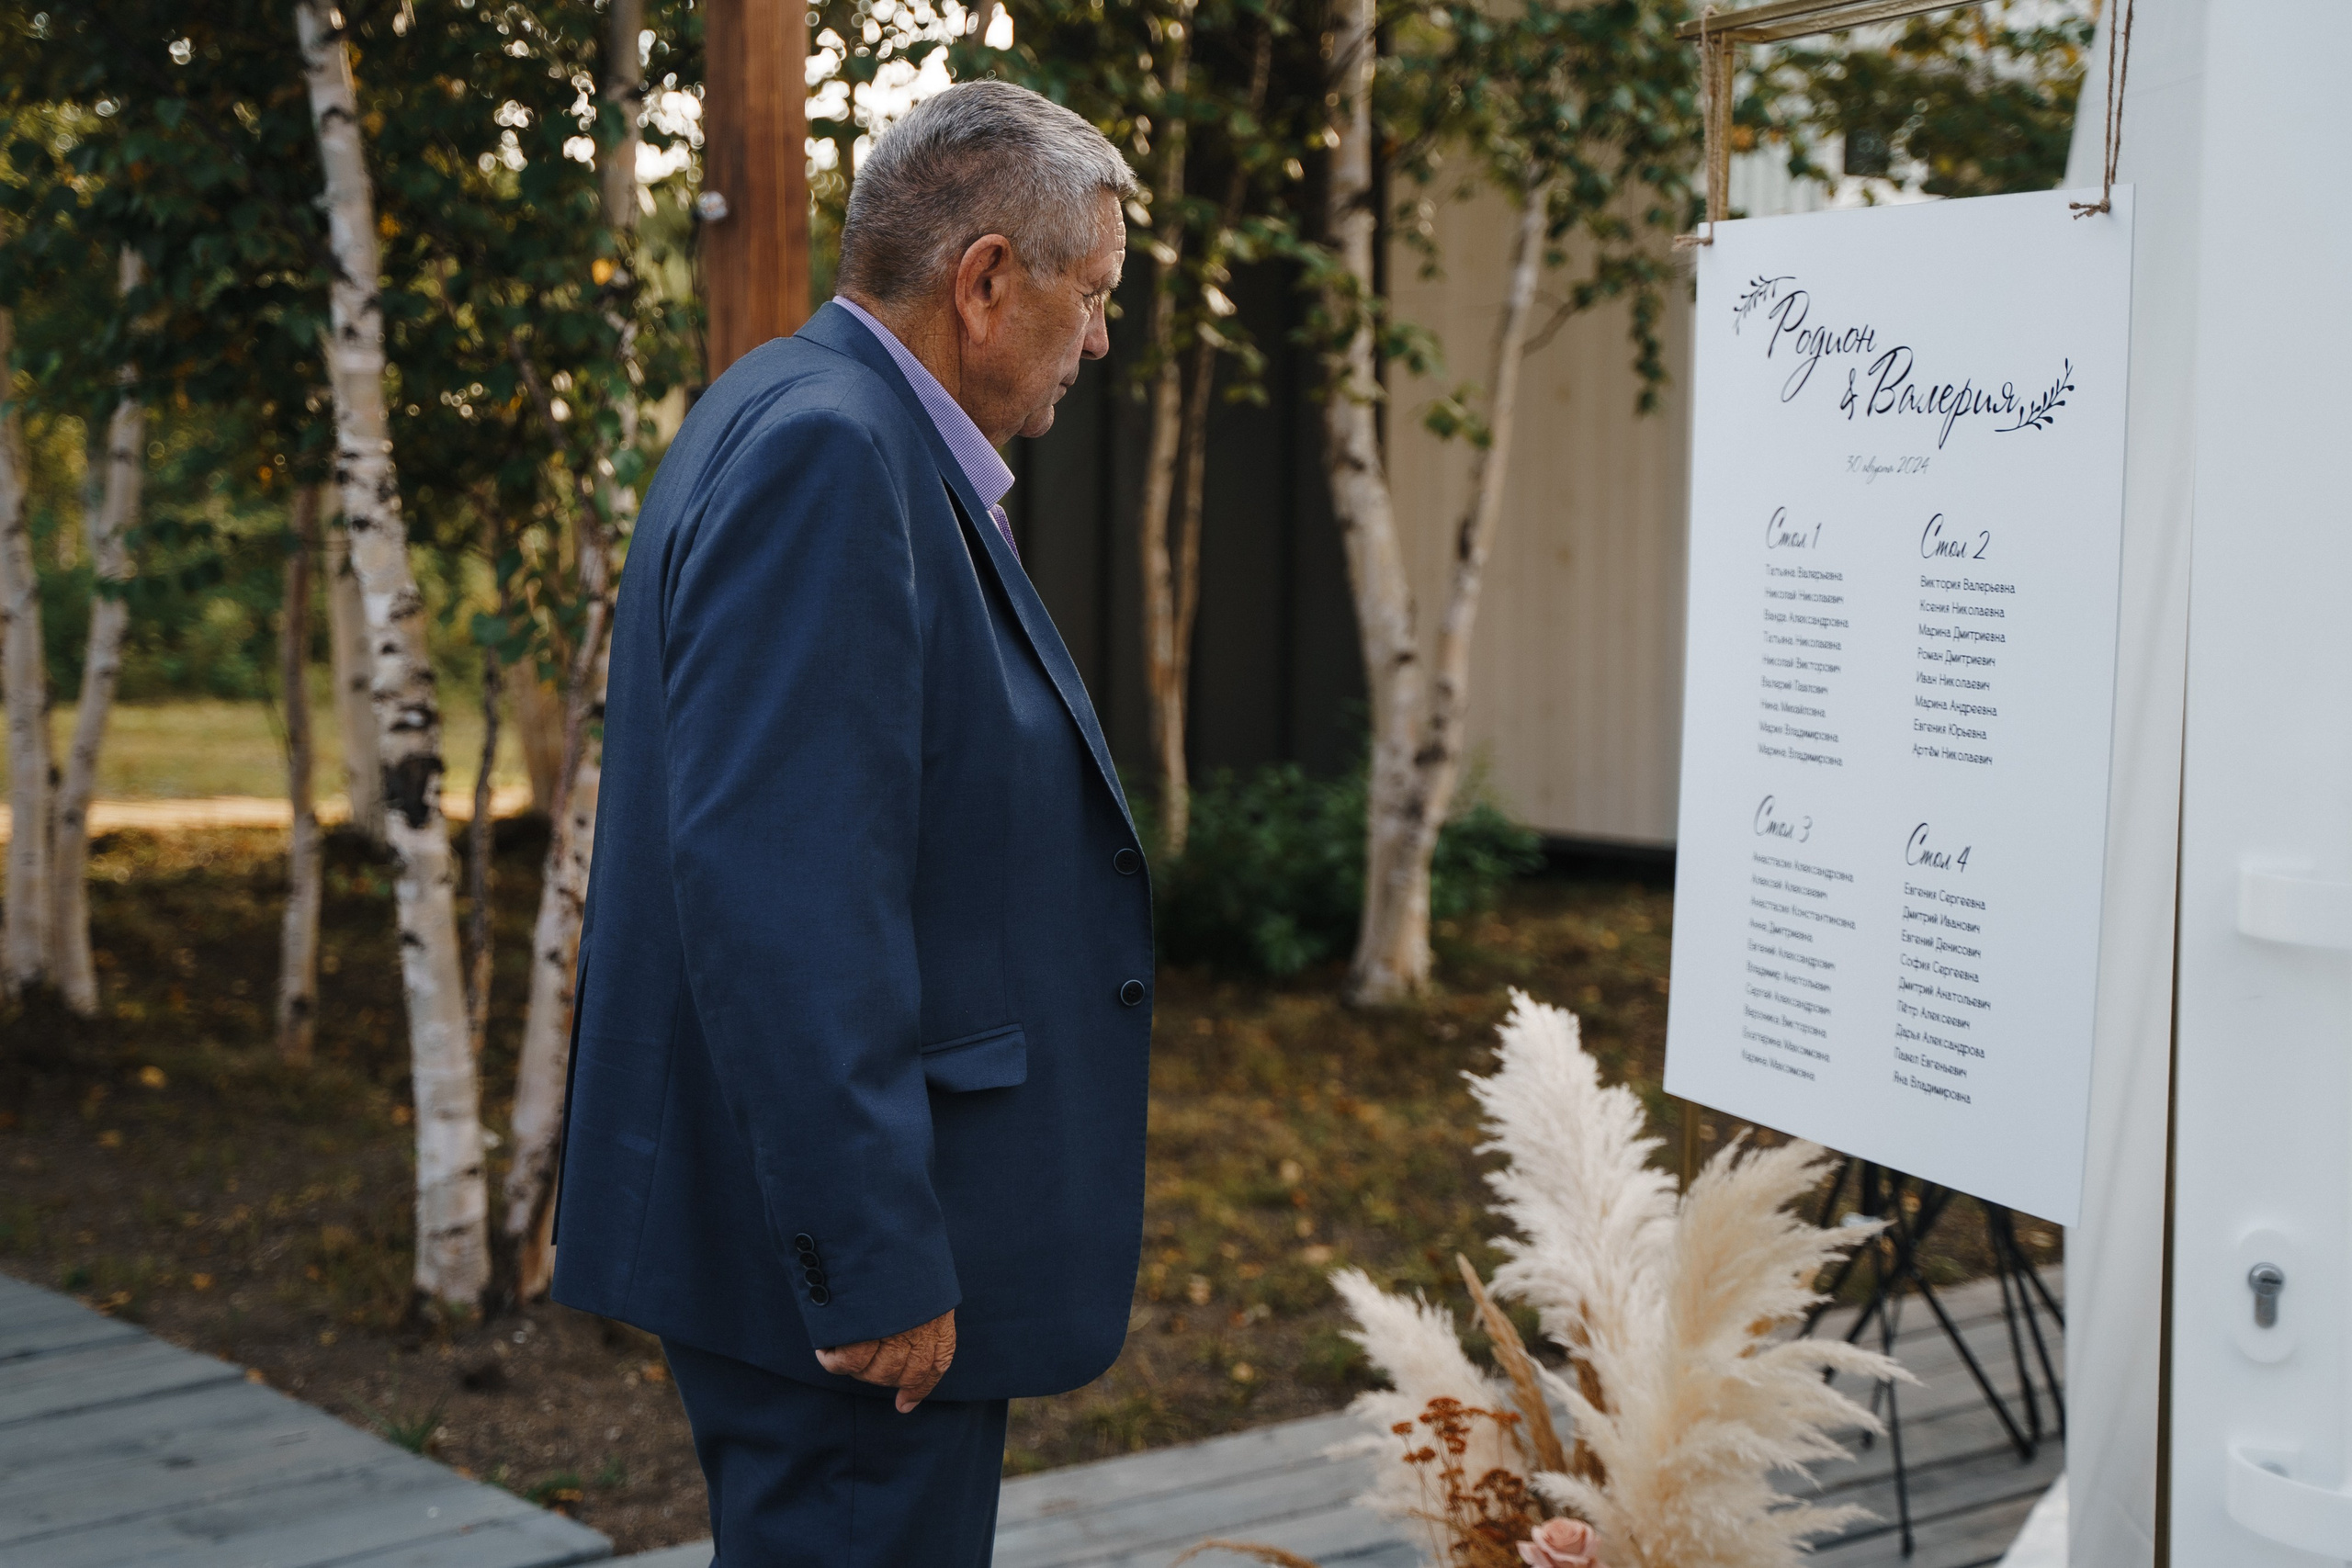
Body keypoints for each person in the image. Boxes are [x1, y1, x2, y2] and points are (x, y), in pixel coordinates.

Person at [549, 81, 1154, 1565]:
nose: (1096, 340)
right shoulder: (830, 453)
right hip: (853, 1295)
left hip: (834, 1259)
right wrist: (873, 1261)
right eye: (1091, 297)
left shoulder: (795, 409)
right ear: (987, 281)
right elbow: (785, 898)